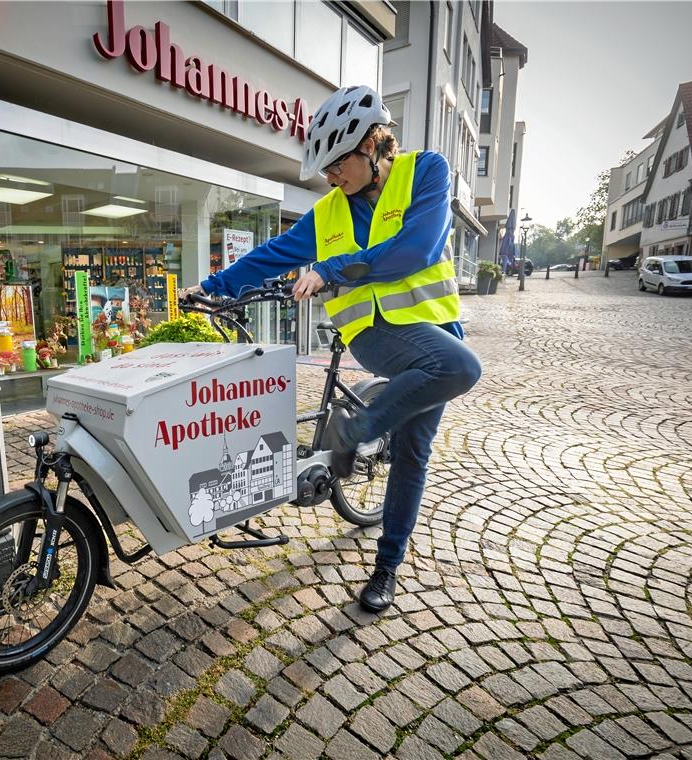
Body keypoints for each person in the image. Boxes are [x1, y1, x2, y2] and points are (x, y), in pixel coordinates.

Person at [181, 85, 482, 613]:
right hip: (375, 334)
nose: (331, 178)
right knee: (460, 368)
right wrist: (213, 286)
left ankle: (387, 565)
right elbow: (272, 254)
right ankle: (357, 427)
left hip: (435, 330)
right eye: (325, 170)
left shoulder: (426, 172)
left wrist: (330, 269)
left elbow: (419, 249)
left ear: (371, 145)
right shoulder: (327, 212)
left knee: (414, 451)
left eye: (336, 165)